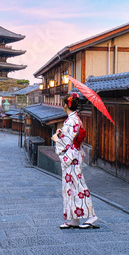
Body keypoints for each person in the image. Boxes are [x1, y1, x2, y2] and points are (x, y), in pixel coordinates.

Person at [51, 92, 98, 229]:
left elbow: (67, 142)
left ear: (66, 105)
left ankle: (91, 216)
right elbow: (70, 137)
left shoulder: (72, 121)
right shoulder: (74, 119)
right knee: (70, 187)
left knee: (78, 185)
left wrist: (56, 139)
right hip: (74, 155)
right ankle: (73, 219)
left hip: (72, 157)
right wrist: (62, 134)